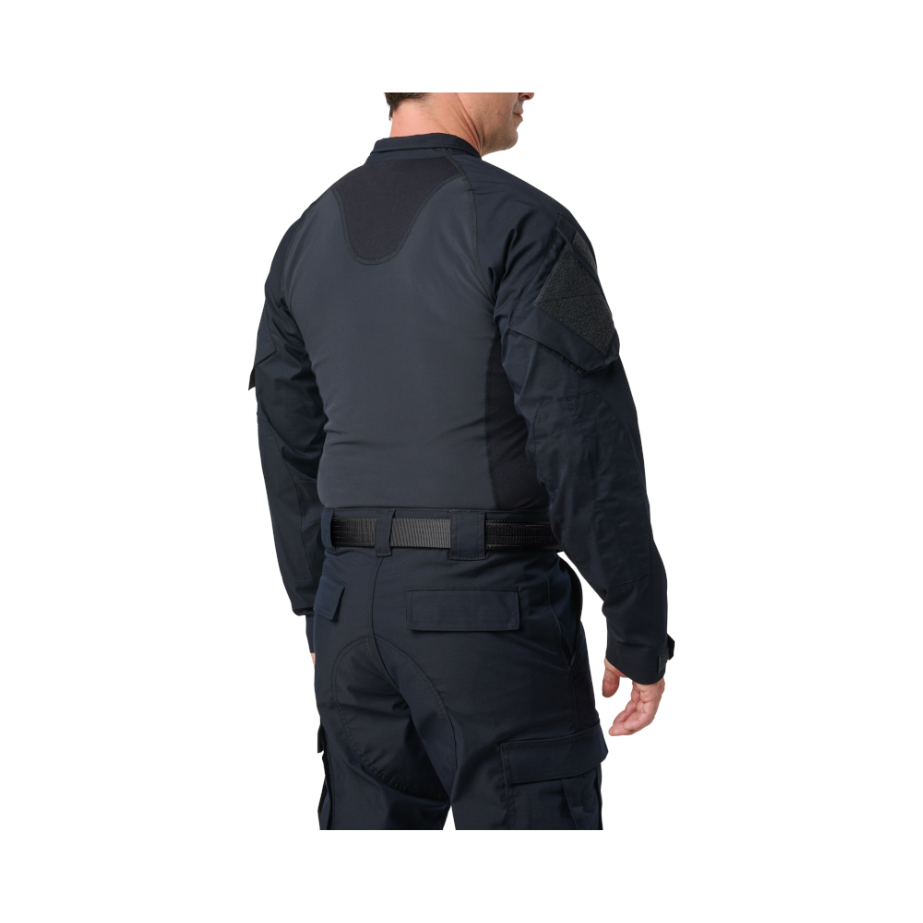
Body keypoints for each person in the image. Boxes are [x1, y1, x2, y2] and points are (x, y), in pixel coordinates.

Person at [249, 92, 674, 830]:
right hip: (489, 619)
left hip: (351, 623)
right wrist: (636, 618)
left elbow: (287, 435)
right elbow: (582, 438)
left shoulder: (304, 236)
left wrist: (318, 606)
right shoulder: (528, 225)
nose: (527, 88)